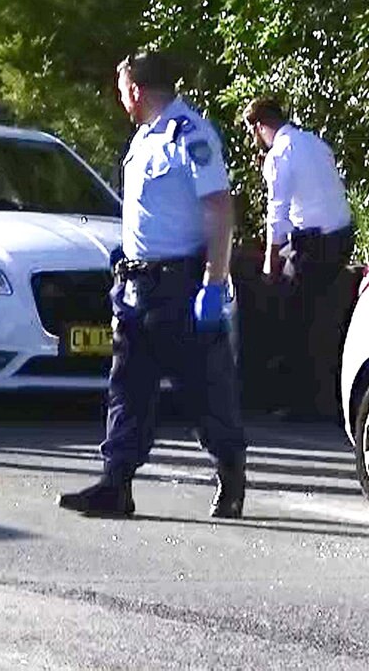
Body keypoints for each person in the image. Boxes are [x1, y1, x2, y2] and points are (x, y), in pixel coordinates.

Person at [58, 51, 247, 519]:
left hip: (179, 284)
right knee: (128, 385)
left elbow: (220, 208)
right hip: (136, 284)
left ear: (136, 91)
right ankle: (115, 484)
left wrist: (214, 281)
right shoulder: (144, 138)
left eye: (122, 89)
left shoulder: (190, 135)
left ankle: (230, 473)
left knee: (203, 387)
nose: (120, 98)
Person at [241, 98, 354, 422]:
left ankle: (299, 401)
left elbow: (278, 212)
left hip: (314, 243)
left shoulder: (279, 155)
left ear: (260, 126)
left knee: (290, 314)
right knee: (319, 312)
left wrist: (269, 259)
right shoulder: (315, 143)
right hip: (341, 236)